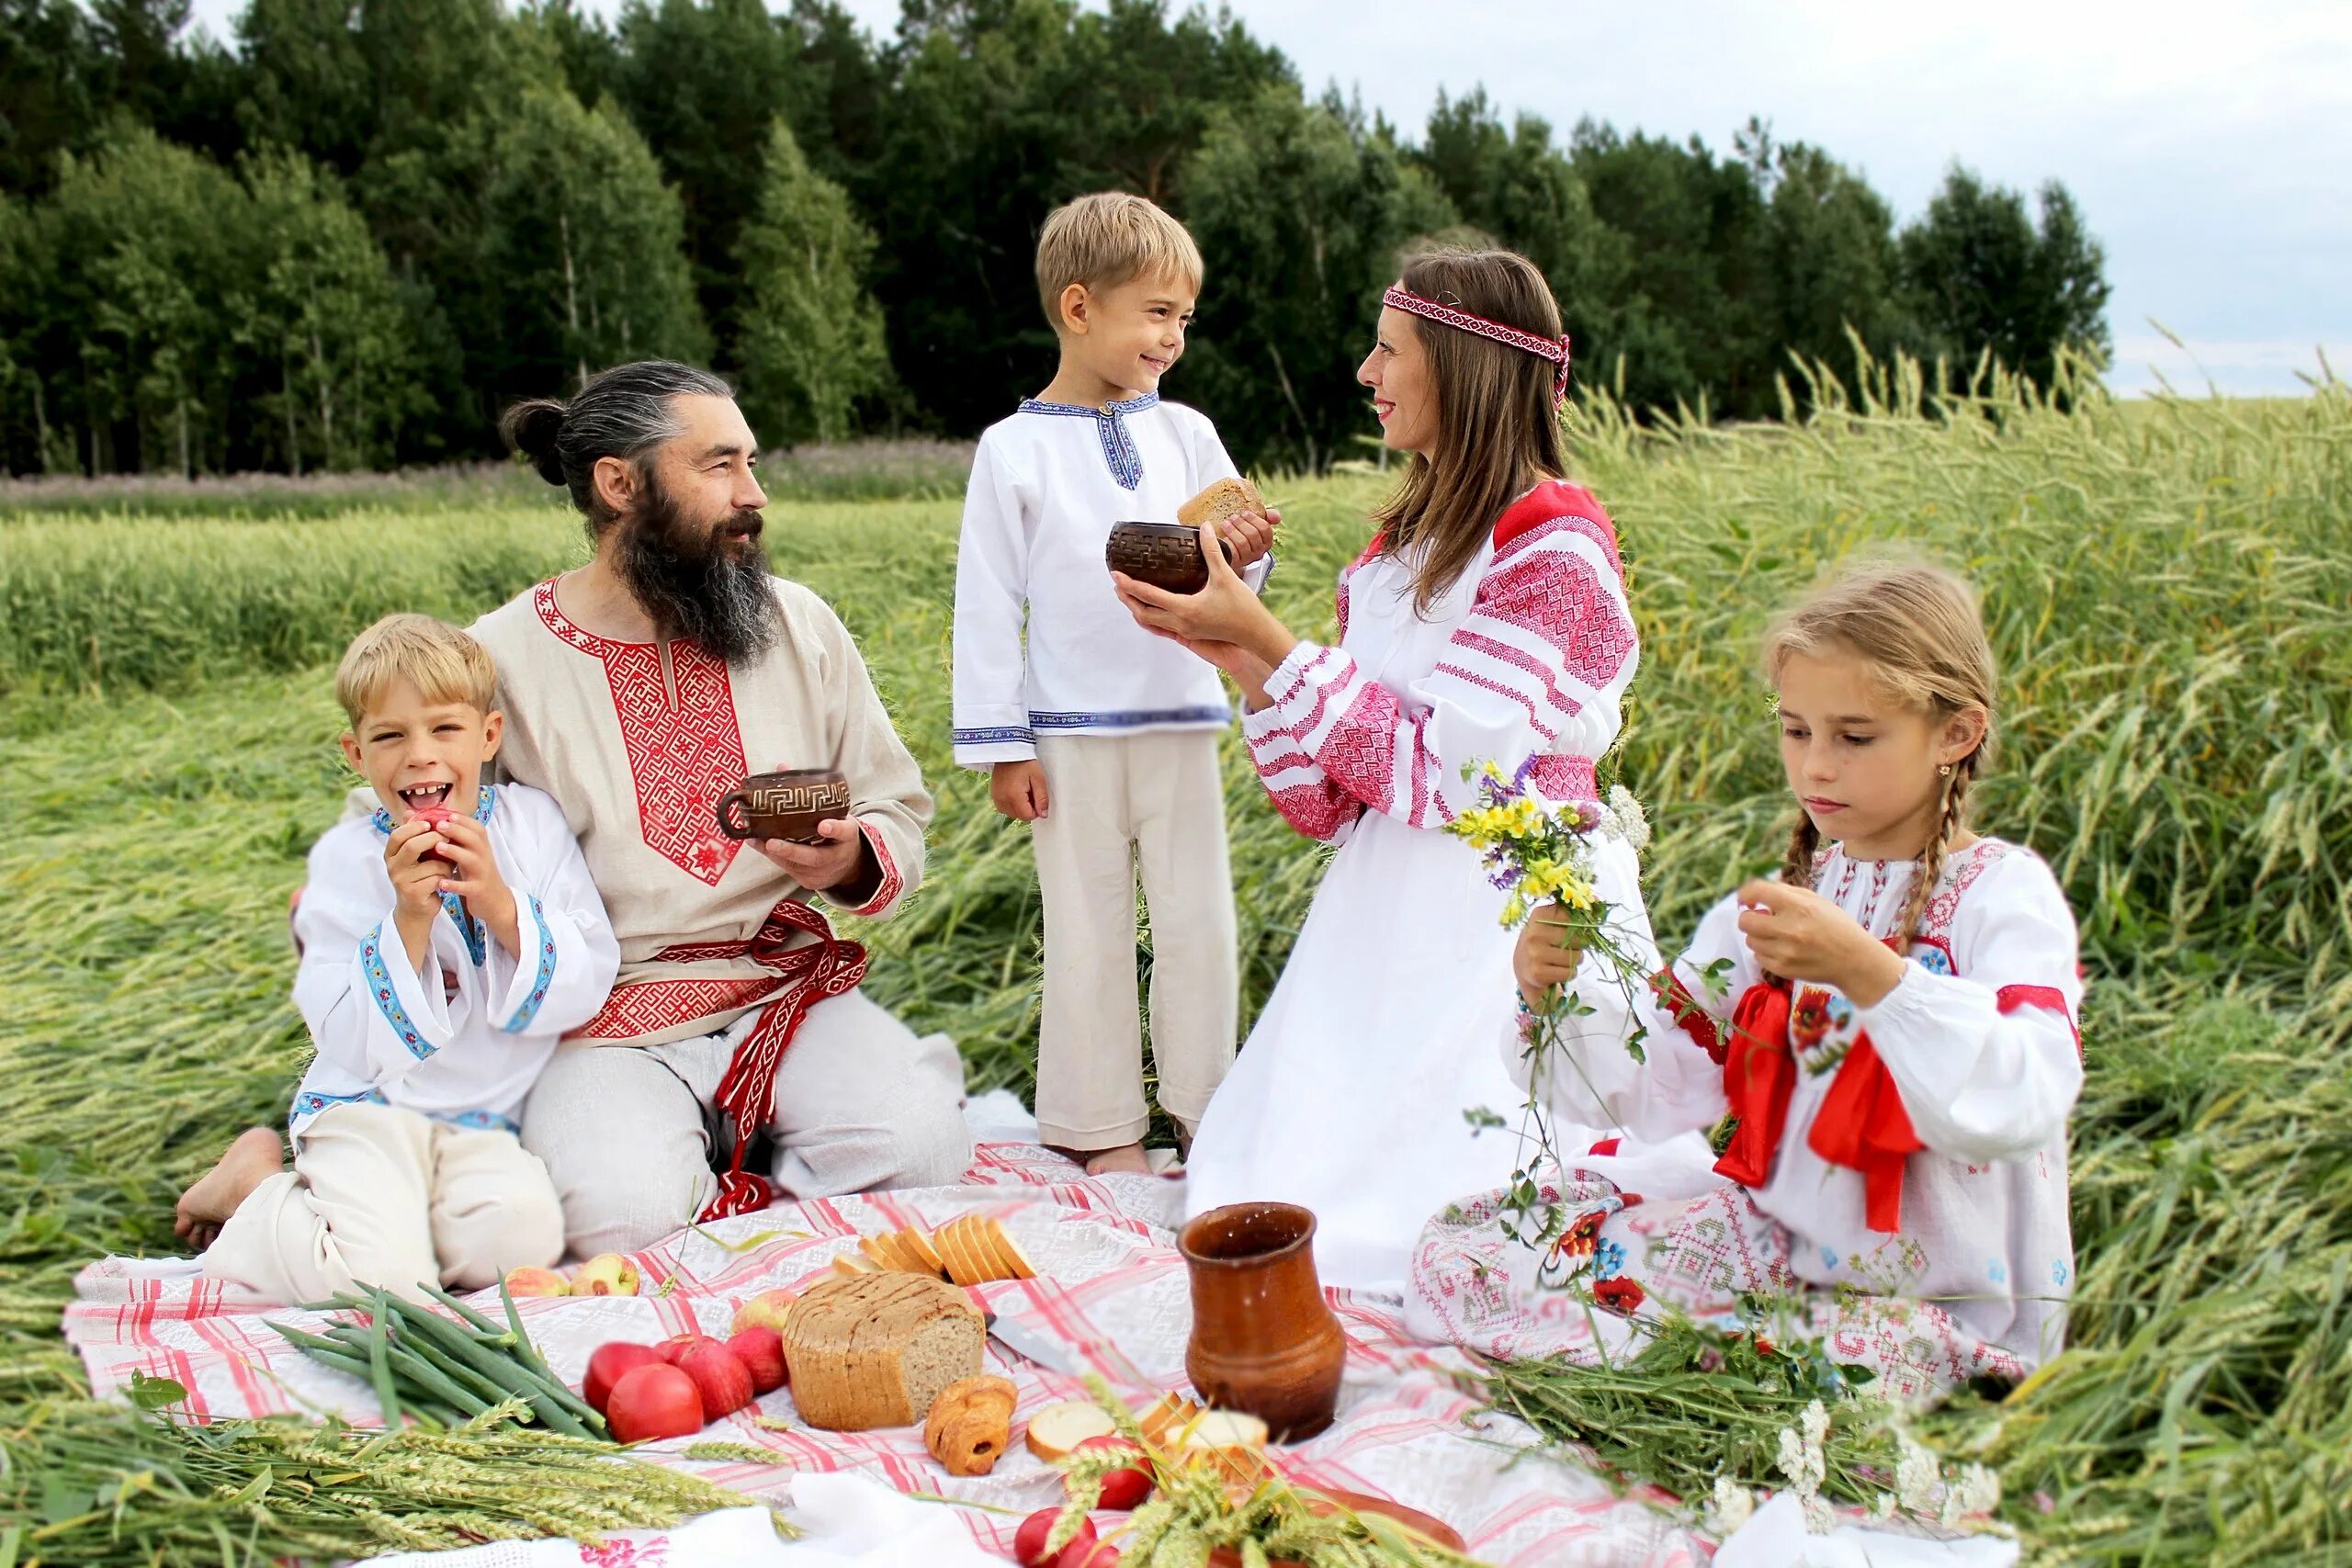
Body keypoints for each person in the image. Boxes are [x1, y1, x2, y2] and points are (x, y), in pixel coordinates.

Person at [1410, 561, 2085, 1396]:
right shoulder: (1778, 912)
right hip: (1782, 1253)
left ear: (1957, 733)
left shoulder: (1999, 897)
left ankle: (1894, 1384)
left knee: (1806, 1384)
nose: (1817, 768)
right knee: (1487, 1245)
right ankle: (1728, 1364)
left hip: (1939, 1296)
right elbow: (1659, 1080)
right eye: (1797, 730)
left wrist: (1871, 974)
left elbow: (2030, 1091)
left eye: (1854, 736)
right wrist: (1551, 994)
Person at [1114, 248, 1643, 1290]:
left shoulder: (1551, 548)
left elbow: (1460, 786)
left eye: (1388, 349)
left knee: (1443, 1206)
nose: (1366, 371)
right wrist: (1240, 657)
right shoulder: (1395, 556)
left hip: (1501, 913)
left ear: (1460, 366)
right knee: (1273, 1179)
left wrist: (1268, 639)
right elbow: (1329, 803)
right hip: (1376, 926)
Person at [954, 192, 1276, 1177]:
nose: (1173, 337)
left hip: (1181, 714)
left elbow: (1229, 578)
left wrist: (1249, 557)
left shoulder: (1187, 432)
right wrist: (1001, 745)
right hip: (1065, 732)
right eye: (1155, 313)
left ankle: (1206, 1117)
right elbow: (986, 603)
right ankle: (1099, 1131)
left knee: (1198, 924)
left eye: (1184, 317)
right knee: (1087, 929)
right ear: (1081, 308)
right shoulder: (1011, 449)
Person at [186, 615, 619, 1302]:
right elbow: (341, 1027)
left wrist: (501, 907)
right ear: (357, 754)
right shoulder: (346, 861)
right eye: (390, 736)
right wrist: (410, 919)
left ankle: (390, 1229)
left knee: (519, 1242)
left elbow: (593, 967)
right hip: (368, 1106)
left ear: (488, 735)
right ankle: (258, 1192)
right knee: (381, 1280)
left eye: (444, 729)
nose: (419, 755)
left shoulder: (532, 828)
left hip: (482, 1115)